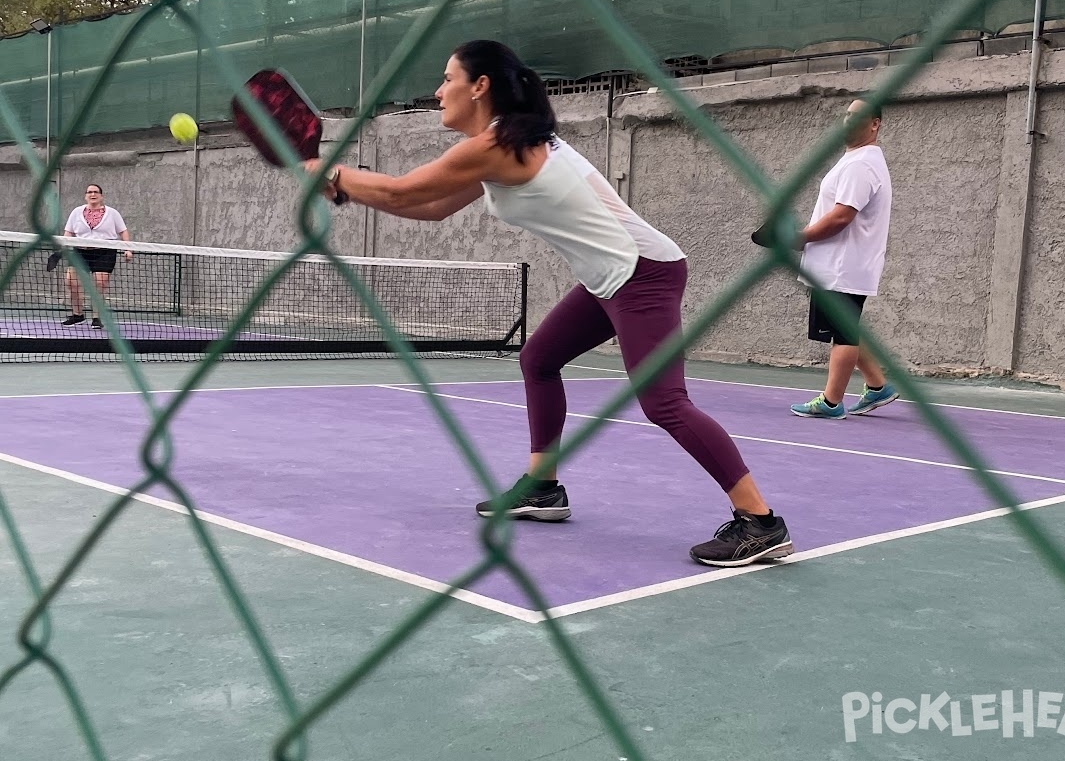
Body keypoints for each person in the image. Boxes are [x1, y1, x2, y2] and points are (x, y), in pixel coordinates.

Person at [305, 39, 793, 568]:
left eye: (448, 79)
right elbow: (432, 207)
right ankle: (543, 486)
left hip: (643, 273)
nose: (439, 90)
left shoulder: (496, 145)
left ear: (480, 86)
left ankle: (760, 522)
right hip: (609, 277)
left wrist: (329, 172)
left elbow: (402, 191)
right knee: (539, 358)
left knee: (663, 403)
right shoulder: (508, 142)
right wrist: (345, 187)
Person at [786, 99, 899, 419]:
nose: (848, 121)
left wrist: (798, 237)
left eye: (857, 116)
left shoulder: (861, 164)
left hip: (841, 266)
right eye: (846, 115)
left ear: (874, 123)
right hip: (839, 264)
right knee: (845, 325)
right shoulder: (857, 160)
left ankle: (831, 402)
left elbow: (840, 217)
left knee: (843, 333)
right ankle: (878, 386)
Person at [60, 183, 133, 329]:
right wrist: (63, 246)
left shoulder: (112, 213)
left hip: (104, 252)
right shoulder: (76, 212)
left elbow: (123, 231)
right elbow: (69, 232)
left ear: (101, 195)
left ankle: (97, 318)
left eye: (96, 192)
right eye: (89, 192)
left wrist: (128, 249)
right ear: (85, 196)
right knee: (71, 281)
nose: (92, 195)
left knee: (100, 283)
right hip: (80, 251)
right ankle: (77, 315)